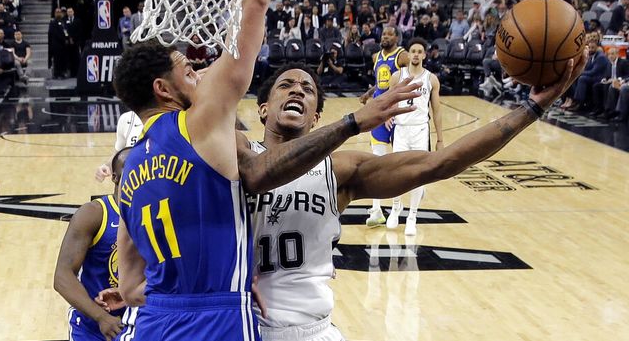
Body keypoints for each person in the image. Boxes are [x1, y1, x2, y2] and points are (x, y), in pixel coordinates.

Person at [245, 44, 587, 340]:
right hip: (243, 325)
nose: (296, 90)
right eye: (285, 85)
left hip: (312, 330)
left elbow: (441, 163)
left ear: (317, 116)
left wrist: (532, 109)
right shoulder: (235, 159)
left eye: (306, 88)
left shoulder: (340, 170)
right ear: (262, 109)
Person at [111, 0, 275, 338]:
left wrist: (179, 294)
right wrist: (216, 291)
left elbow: (129, 289)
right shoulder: (199, 123)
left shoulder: (127, 169)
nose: (200, 75)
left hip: (154, 324)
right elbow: (257, 1)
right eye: (189, 72)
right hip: (219, 322)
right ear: (163, 89)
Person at [54, 148, 131, 341]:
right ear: (114, 177)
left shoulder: (155, 212)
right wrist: (101, 317)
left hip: (139, 320)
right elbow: (62, 277)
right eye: (130, 175)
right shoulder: (94, 214)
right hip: (92, 327)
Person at [379, 38, 443, 234]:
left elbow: (437, 110)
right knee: (396, 172)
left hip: (421, 131)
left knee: (418, 175)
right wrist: (387, 115)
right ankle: (396, 207)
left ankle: (412, 216)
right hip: (401, 129)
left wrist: (440, 139)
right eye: (413, 51)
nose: (416, 54)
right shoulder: (398, 76)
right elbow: (388, 100)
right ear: (408, 54)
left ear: (424, 55)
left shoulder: (431, 79)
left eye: (419, 51)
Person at [359, 26, 409, 226]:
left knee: (398, 162)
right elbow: (382, 84)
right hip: (379, 111)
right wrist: (369, 93)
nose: (385, 37)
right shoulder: (376, 56)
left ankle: (398, 204)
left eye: (389, 34)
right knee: (376, 163)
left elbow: (411, 78)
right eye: (384, 34)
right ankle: (377, 209)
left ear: (396, 37)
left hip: (396, 113)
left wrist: (393, 106)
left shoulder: (402, 56)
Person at [95, 111, 144, 182]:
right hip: (130, 183)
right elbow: (119, 154)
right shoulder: (126, 118)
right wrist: (107, 166)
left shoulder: (164, 120)